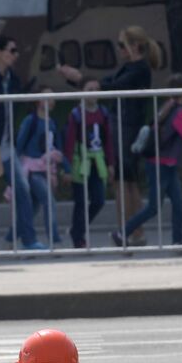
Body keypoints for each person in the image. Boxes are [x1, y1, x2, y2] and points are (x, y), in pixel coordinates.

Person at [60, 26, 162, 245]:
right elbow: (103, 82)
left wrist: (82, 79)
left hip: (127, 128)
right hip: (125, 126)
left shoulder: (139, 69)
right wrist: (80, 80)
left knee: (124, 183)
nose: (119, 49)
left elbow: (111, 86)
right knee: (128, 181)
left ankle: (128, 232)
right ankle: (134, 232)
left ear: (135, 46)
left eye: (122, 44)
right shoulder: (129, 67)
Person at [112, 74, 182, 248]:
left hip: (165, 164)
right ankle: (122, 232)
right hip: (161, 165)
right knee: (153, 207)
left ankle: (177, 240)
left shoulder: (167, 107)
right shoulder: (178, 112)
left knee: (179, 203)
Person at [0, 34, 44, 252]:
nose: (15, 55)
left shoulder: (12, 77)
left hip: (6, 146)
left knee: (22, 190)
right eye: (11, 50)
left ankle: (28, 240)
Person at [65, 81, 114, 249]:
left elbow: (108, 140)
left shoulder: (103, 113)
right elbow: (70, 141)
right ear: (81, 92)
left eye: (97, 89)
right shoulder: (76, 114)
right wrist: (67, 166)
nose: (94, 93)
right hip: (81, 162)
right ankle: (78, 238)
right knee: (80, 201)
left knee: (99, 200)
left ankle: (77, 229)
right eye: (89, 89)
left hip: (98, 161)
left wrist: (110, 163)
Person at [15, 88, 66, 245]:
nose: (51, 101)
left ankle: (11, 238)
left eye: (53, 97)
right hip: (32, 169)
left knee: (33, 207)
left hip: (47, 169)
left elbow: (57, 147)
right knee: (49, 202)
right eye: (47, 97)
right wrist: (15, 170)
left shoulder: (52, 122)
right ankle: (55, 240)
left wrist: (66, 167)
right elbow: (19, 146)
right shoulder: (31, 121)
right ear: (38, 100)